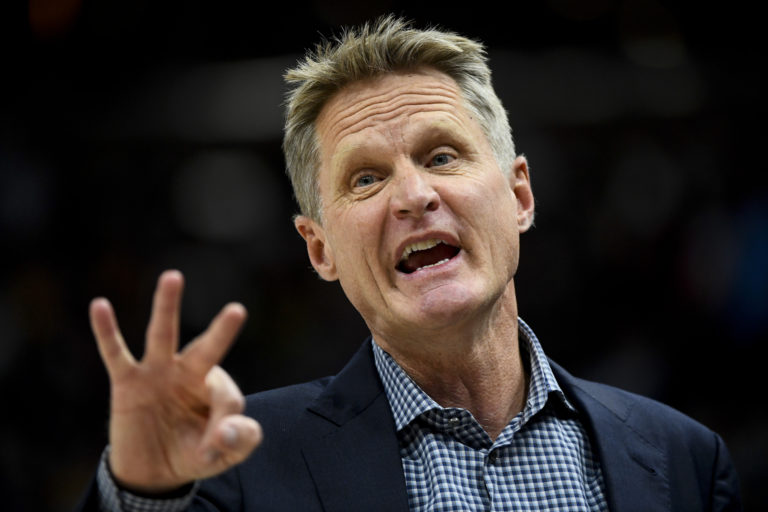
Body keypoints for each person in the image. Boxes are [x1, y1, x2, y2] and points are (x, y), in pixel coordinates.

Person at [77, 16, 741, 512]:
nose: (414, 195)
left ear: (519, 195)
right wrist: (140, 493)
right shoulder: (231, 468)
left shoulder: (685, 459)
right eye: (365, 179)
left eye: (442, 156)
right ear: (321, 249)